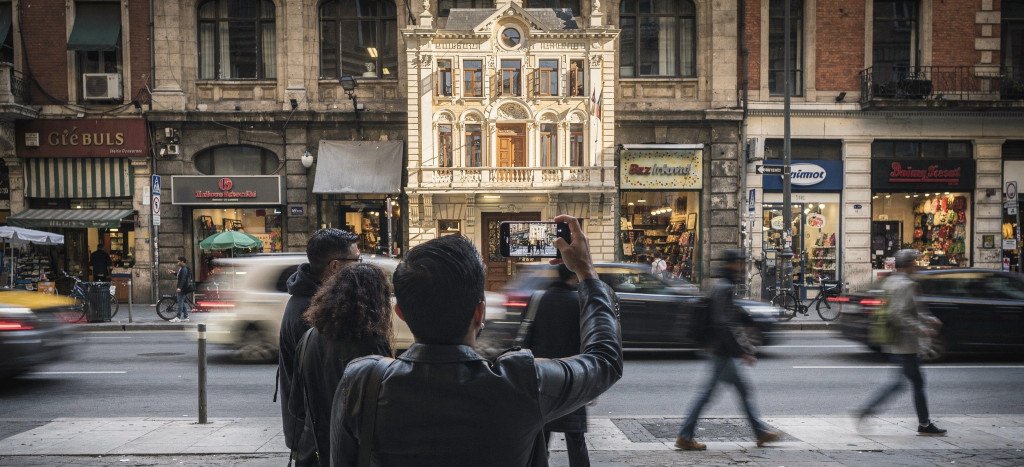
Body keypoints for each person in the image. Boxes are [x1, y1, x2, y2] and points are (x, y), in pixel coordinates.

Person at [330, 215, 622, 467]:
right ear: (480, 312)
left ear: (401, 313)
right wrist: (587, 273)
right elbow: (604, 362)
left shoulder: (362, 381)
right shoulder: (522, 383)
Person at [675, 249, 780, 450]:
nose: (743, 267)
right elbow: (724, 323)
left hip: (720, 349)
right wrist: (742, 351)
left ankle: (760, 432)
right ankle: (685, 435)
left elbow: (732, 315)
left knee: (736, 391)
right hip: (722, 351)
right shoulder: (724, 287)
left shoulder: (722, 285)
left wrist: (747, 324)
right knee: (710, 394)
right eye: (741, 263)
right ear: (733, 264)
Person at [290, 263, 393, 466]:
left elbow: (296, 406)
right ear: (377, 302)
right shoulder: (373, 346)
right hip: (351, 456)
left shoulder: (309, 337)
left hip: (312, 454)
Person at [278, 228, 361, 466]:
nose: (359, 266)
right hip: (314, 437)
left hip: (312, 433)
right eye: (356, 260)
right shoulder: (312, 311)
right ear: (335, 266)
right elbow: (323, 388)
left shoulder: (314, 300)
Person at [854, 249, 946, 435]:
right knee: (909, 383)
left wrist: (927, 319)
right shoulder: (905, 285)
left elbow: (906, 309)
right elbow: (900, 313)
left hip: (894, 339)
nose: (917, 265)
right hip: (905, 342)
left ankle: (924, 423)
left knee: (907, 382)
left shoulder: (891, 281)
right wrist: (922, 328)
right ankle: (922, 423)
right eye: (915, 262)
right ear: (909, 264)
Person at [526, 264, 591, 467]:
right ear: (573, 278)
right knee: (576, 438)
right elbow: (586, 343)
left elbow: (529, 337)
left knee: (541, 437)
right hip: (573, 377)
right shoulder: (578, 303)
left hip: (543, 377)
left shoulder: (540, 299)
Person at [169, 256, 193, 323]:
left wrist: (179, 287)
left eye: (179, 261)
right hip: (183, 288)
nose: (178, 262)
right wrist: (173, 272)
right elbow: (179, 276)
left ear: (182, 262)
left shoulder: (184, 269)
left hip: (183, 289)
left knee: (180, 302)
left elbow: (183, 279)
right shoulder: (181, 268)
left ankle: (178, 317)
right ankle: (186, 316)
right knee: (182, 302)